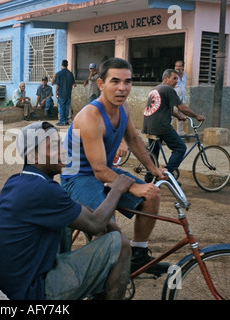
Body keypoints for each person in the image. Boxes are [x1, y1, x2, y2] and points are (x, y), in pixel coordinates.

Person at [0, 121, 134, 300]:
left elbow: (72, 206)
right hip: (33, 291)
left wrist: (109, 223)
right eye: (55, 147)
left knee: (67, 220)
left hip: (12, 286)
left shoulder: (17, 182)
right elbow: (95, 225)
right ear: (34, 156)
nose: (64, 152)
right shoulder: (43, 190)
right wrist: (118, 188)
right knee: (121, 244)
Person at [60, 57, 170, 275]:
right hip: (78, 177)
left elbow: (133, 138)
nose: (122, 88)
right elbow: (99, 170)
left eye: (127, 82)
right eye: (115, 81)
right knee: (106, 225)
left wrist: (153, 169)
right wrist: (133, 187)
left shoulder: (124, 107)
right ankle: (99, 277)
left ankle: (137, 256)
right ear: (101, 84)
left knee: (152, 196)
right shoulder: (91, 116)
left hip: (102, 172)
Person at [143, 68, 205, 183]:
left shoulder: (156, 88)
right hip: (161, 125)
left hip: (149, 125)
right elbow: (182, 107)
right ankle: (167, 173)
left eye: (178, 79)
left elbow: (169, 109)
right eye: (174, 78)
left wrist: (179, 117)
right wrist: (196, 116)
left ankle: (148, 179)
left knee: (154, 154)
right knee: (180, 148)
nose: (177, 81)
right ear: (166, 78)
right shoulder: (168, 89)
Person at [54, 59, 76, 126]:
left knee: (61, 107)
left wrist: (56, 92)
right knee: (67, 107)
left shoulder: (59, 74)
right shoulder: (70, 73)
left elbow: (57, 84)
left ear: (62, 65)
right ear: (67, 65)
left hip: (61, 93)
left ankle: (61, 121)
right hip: (68, 93)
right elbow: (74, 84)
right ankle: (66, 121)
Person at [173, 60, 188, 136]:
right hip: (174, 98)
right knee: (171, 116)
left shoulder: (185, 76)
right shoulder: (173, 75)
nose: (178, 67)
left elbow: (184, 86)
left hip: (182, 99)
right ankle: (166, 134)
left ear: (183, 67)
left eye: (179, 66)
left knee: (181, 116)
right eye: (176, 66)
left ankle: (180, 133)